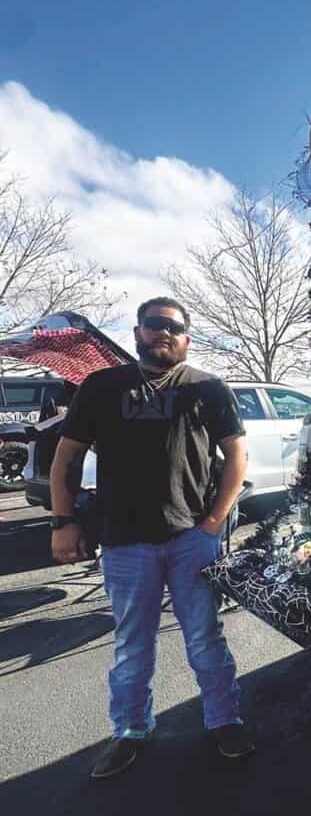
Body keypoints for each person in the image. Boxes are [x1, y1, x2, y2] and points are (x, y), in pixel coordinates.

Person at [50, 297, 253, 778]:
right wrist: (63, 522)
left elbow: (237, 458)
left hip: (191, 540)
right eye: (156, 324)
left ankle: (224, 720)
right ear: (138, 330)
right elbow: (66, 460)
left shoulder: (207, 387)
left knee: (205, 637)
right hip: (124, 543)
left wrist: (213, 524)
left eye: (176, 327)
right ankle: (129, 731)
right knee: (131, 645)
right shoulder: (102, 386)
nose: (165, 332)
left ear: (187, 338)